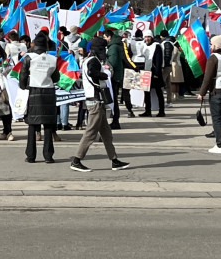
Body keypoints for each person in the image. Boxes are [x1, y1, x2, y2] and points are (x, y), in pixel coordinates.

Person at [70, 36, 130, 172]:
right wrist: (104, 75)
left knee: (106, 133)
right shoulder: (94, 61)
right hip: (95, 102)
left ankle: (114, 160)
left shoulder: (87, 60)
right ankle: (76, 160)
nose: (105, 51)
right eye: (103, 49)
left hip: (95, 101)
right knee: (90, 133)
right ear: (98, 50)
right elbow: (93, 72)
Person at [19, 31, 59, 164]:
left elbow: (23, 75)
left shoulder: (28, 57)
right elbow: (56, 77)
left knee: (32, 124)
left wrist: (23, 87)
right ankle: (48, 156)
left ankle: (31, 155)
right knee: (48, 125)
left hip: (34, 91)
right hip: (49, 92)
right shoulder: (53, 59)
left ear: (34, 44)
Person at [140, 32, 166, 117]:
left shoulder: (157, 46)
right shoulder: (143, 46)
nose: (147, 39)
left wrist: (157, 73)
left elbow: (159, 61)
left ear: (151, 37)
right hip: (146, 72)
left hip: (154, 72)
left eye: (148, 37)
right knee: (146, 92)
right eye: (145, 37)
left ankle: (161, 111)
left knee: (159, 92)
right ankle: (147, 111)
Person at [106, 30, 126, 128]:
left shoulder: (113, 47)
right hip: (117, 75)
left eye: (105, 38)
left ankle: (115, 121)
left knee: (114, 99)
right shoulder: (115, 45)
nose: (105, 40)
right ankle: (115, 119)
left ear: (109, 37)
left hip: (114, 76)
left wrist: (106, 66)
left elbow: (112, 63)